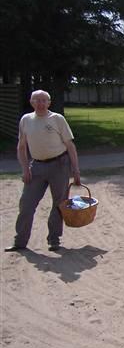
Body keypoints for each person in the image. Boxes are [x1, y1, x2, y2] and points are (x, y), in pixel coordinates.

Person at [4, 90, 81, 252]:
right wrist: (25, 169)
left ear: (49, 103)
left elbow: (70, 146)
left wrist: (75, 170)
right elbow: (21, 146)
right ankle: (20, 242)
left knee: (59, 204)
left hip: (59, 165)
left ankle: (54, 240)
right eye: (37, 100)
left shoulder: (57, 119)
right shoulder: (26, 120)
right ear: (31, 102)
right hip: (37, 166)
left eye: (44, 100)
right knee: (26, 204)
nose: (40, 103)